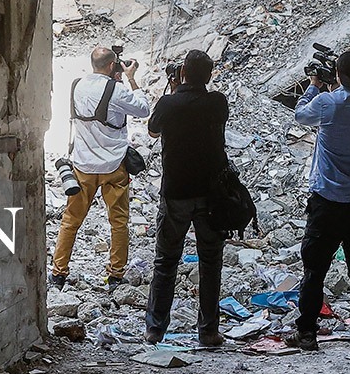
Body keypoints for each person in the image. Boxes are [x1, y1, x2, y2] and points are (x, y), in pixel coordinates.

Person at [283, 51, 350, 351]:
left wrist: (313, 85)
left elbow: (301, 115)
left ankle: (307, 332)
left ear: (338, 75)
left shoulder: (327, 103)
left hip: (327, 199)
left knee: (315, 269)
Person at [144, 50, 231, 347]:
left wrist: (173, 90)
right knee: (211, 262)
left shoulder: (168, 103)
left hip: (176, 192)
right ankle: (208, 331)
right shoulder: (218, 102)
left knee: (166, 261)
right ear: (208, 76)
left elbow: (153, 131)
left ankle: (156, 328)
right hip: (211, 195)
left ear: (182, 73)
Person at [50, 46, 150, 291]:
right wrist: (131, 79)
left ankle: (58, 272)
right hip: (113, 166)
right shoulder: (117, 90)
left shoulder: (76, 85)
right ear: (112, 65)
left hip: (83, 165)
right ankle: (115, 274)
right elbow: (143, 110)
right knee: (118, 222)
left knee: (70, 220)